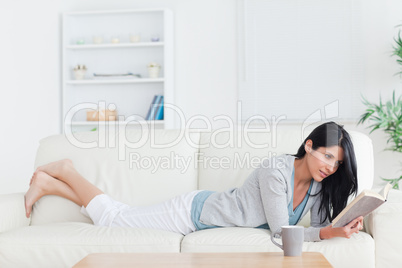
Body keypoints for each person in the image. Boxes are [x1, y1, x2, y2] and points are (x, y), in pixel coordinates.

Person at [24, 121, 364, 242]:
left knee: (118, 215)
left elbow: (321, 228)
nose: (331, 167)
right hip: (192, 213)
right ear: (308, 146)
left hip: (200, 219)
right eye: (327, 156)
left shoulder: (321, 185)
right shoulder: (276, 172)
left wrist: (344, 224)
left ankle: (52, 186)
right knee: (114, 220)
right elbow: (281, 233)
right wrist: (328, 233)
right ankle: (66, 170)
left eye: (337, 163)